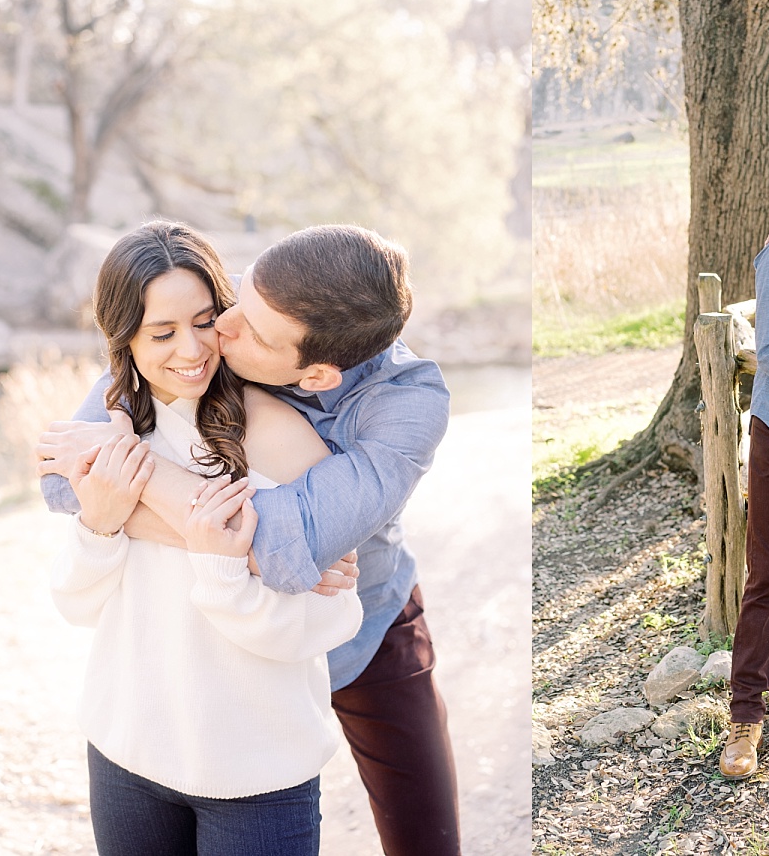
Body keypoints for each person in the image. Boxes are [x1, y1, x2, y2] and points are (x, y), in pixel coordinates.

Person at [38, 224, 458, 855]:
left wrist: (130, 474)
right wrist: (217, 540)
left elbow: (293, 543)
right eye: (235, 301)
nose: (222, 331)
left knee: (422, 828)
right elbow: (67, 483)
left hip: (365, 605)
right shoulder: (206, 332)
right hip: (246, 655)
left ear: (314, 375)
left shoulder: (406, 405)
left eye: (250, 331)